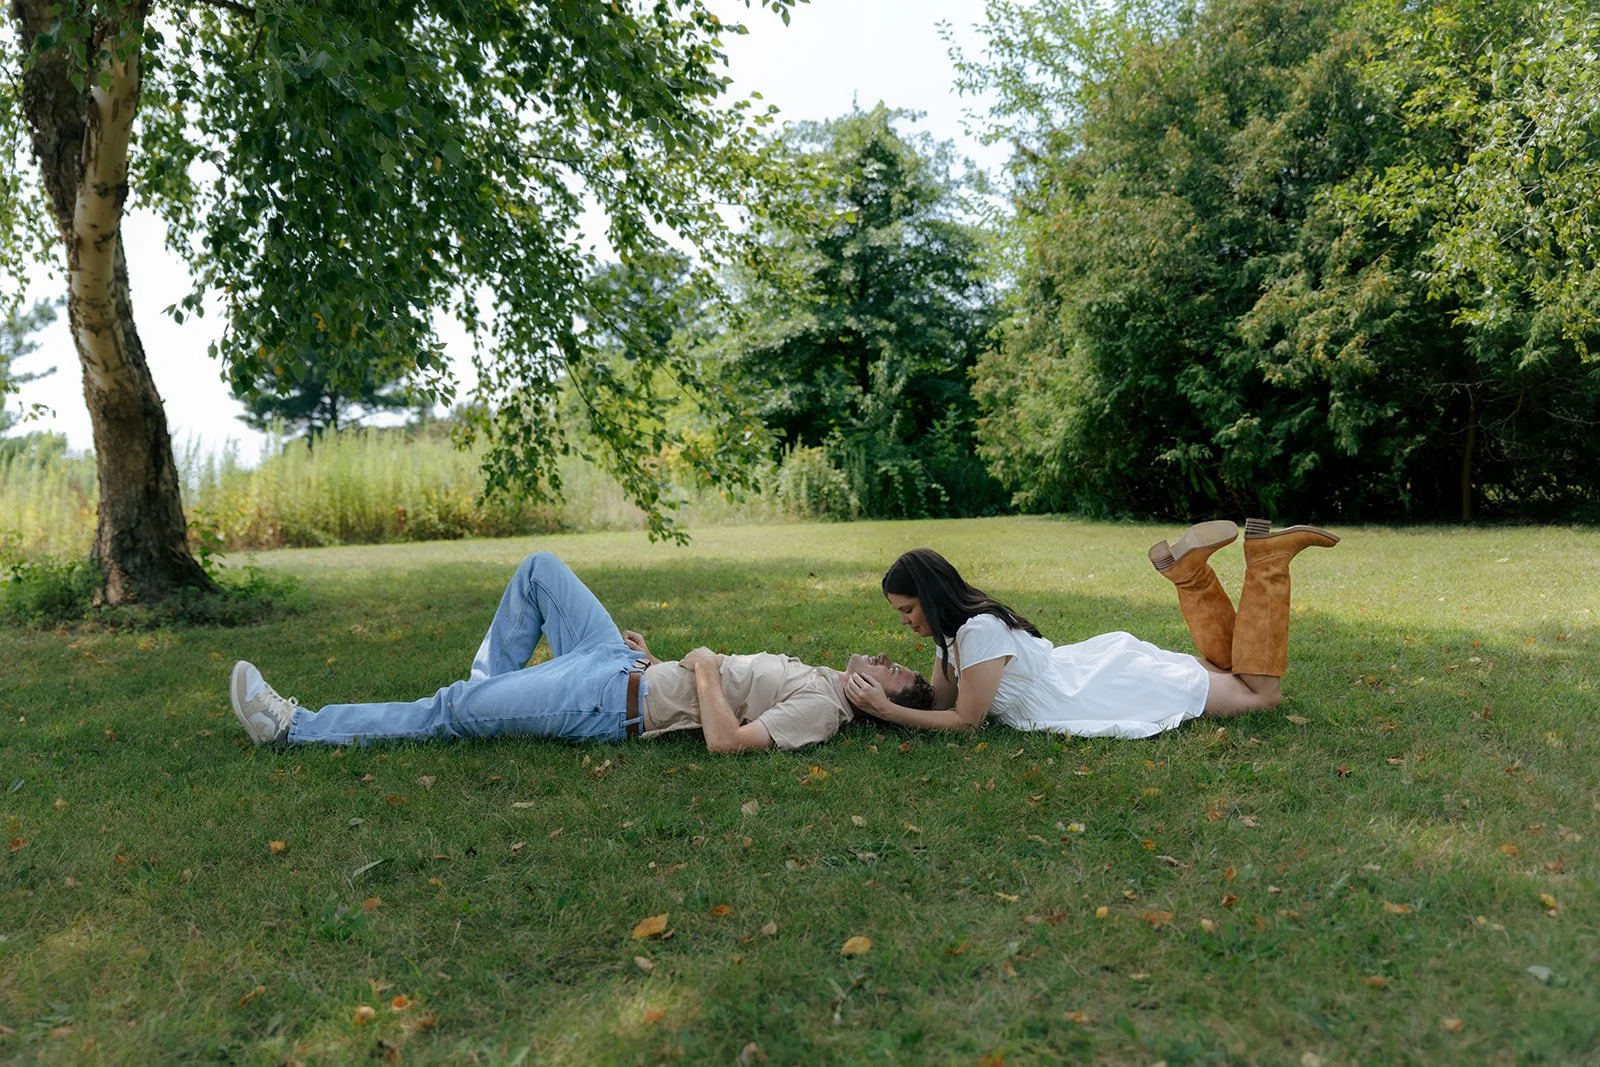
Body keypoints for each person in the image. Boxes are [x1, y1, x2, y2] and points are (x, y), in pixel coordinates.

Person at [230, 551, 936, 753]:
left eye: (895, 670)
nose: (886, 654)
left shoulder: (822, 708)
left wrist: (701, 665)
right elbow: (705, 693)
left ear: (875, 697)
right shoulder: (818, 677)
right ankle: (484, 695)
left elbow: (726, 740)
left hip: (607, 701)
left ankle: (293, 726)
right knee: (540, 569)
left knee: (448, 709)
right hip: (624, 666)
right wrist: (669, 660)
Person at [842, 518, 1338, 738]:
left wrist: (889, 710)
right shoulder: (956, 633)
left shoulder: (977, 633)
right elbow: (947, 701)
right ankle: (1192, 577)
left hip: (1090, 691)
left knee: (1260, 695)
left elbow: (965, 723)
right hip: (1084, 672)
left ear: (928, 597)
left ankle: (1267, 562)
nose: (906, 622)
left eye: (907, 609)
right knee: (1228, 669)